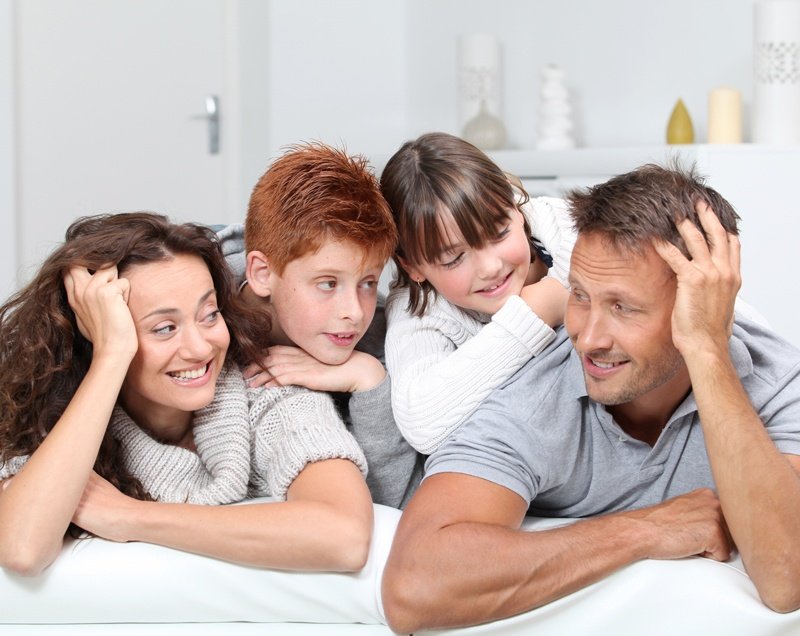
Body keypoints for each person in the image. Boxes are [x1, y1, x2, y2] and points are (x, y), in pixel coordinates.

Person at [381, 164, 800, 632]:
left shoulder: (773, 380)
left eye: (623, 307)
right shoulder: (535, 393)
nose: (588, 338)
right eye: (579, 295)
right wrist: (646, 529)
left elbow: (787, 580)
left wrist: (705, 350)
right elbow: (414, 585)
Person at [0, 212, 373, 577]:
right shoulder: (54, 415)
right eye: (164, 328)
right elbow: (22, 549)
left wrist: (129, 517)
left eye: (209, 315)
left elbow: (345, 536)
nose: (200, 347)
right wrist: (111, 356)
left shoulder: (266, 394)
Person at [216, 143, 423, 509]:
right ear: (262, 274)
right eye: (328, 283)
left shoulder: (380, 339)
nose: (354, 312)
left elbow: (391, 503)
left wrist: (369, 380)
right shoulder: (200, 321)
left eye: (367, 282)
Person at [379, 132, 576, 454]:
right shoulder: (421, 304)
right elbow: (423, 424)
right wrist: (535, 313)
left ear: (515, 204)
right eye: (454, 258)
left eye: (499, 233)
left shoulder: (570, 229)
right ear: (413, 266)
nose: (490, 267)